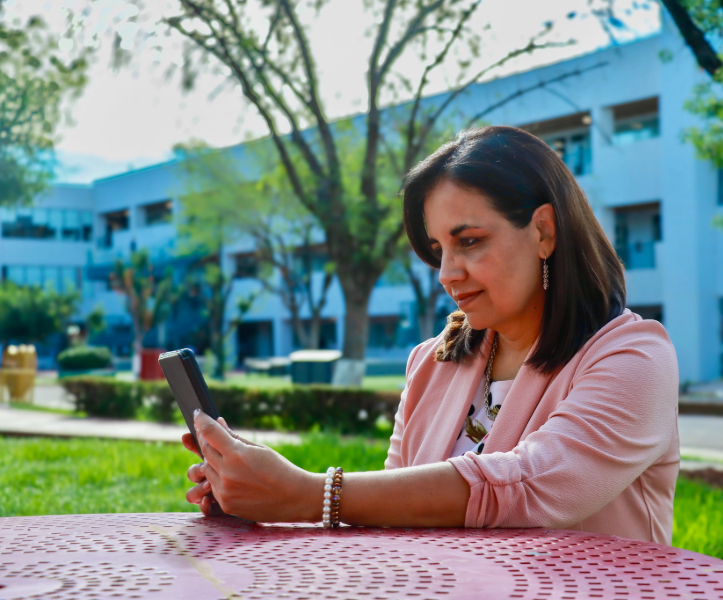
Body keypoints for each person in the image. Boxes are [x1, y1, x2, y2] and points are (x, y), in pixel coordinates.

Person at [183, 126, 680, 544]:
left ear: (544, 232)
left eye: (469, 241)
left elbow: (533, 488)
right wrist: (258, 488)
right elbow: (390, 515)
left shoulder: (633, 359)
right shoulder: (432, 361)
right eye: (438, 248)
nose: (446, 273)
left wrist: (310, 493)